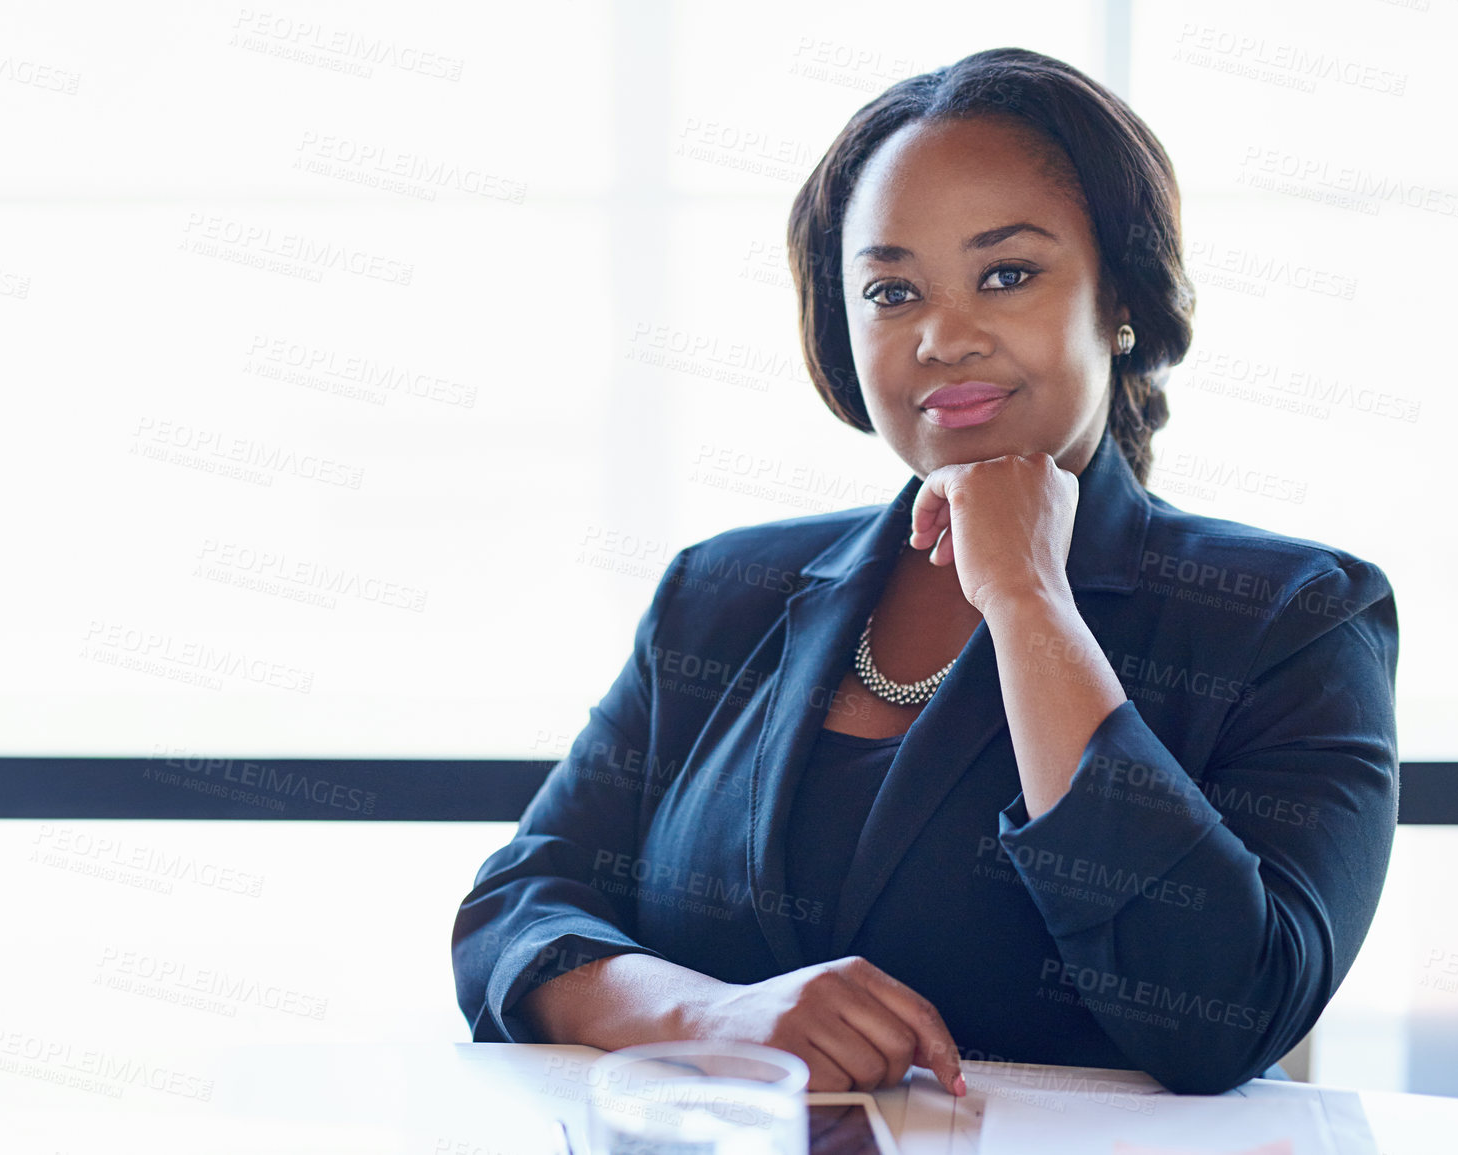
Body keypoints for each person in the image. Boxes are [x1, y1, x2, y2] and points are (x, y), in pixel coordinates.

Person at [450, 47, 1398, 1099]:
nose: (944, 337)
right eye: (892, 291)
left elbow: (1224, 1012)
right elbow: (518, 915)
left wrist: (1029, 597)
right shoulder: (720, 593)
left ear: (1120, 299)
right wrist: (714, 1017)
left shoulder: (1289, 618)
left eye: (1007, 274)